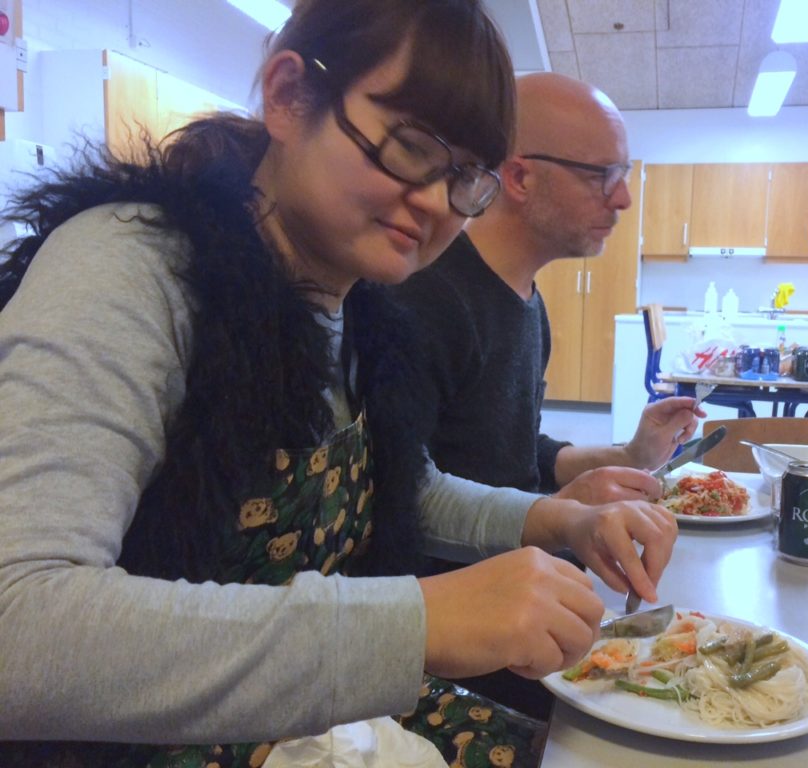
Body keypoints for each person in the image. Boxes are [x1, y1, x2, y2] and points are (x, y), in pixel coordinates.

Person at [0, 3, 677, 767]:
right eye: (410, 147)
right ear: (290, 96)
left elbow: (402, 489)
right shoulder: (131, 268)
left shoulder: (360, 306)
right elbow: (18, 623)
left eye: (463, 178)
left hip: (307, 723)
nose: (434, 202)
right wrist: (415, 622)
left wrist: (561, 524)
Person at [392, 72, 705, 508]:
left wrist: (631, 456)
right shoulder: (425, 300)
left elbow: (519, 456)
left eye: (624, 174)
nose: (623, 200)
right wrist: (554, 515)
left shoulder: (527, 303)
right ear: (520, 177)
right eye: (603, 174)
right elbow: (402, 502)